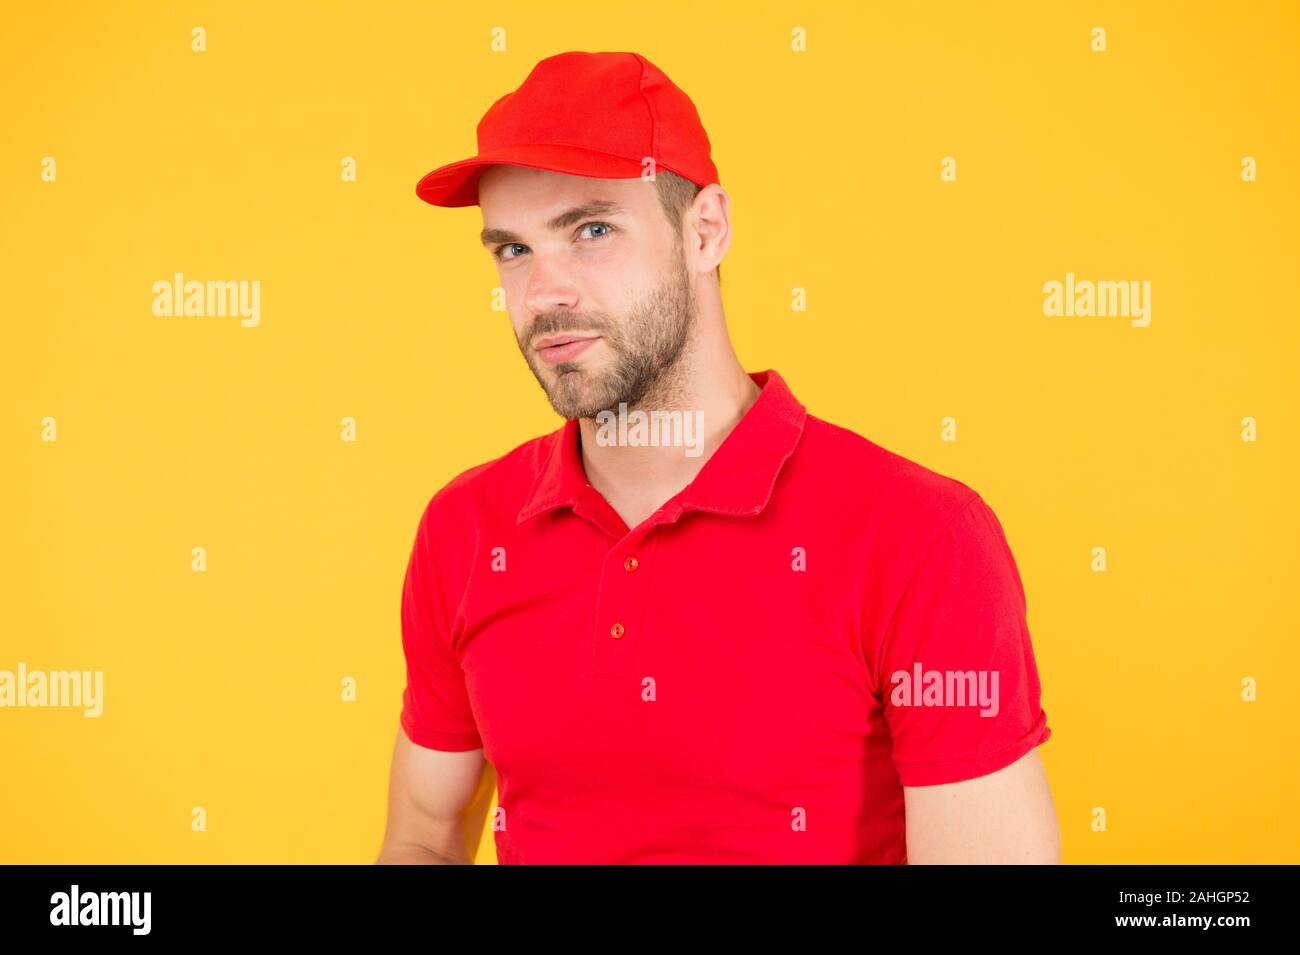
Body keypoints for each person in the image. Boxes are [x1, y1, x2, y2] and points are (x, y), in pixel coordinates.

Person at [376, 50, 1058, 864]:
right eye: (512, 250)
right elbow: (422, 836)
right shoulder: (465, 530)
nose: (543, 292)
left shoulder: (920, 537)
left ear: (706, 231)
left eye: (591, 230)